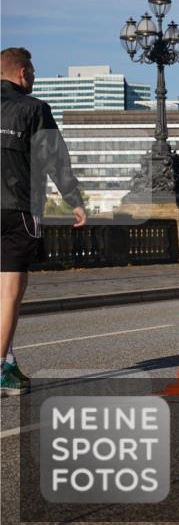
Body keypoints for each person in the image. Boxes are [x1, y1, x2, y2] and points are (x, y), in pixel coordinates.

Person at [2, 48, 87, 396]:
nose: (35, 77)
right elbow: (56, 159)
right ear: (23, 74)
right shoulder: (33, 108)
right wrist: (75, 202)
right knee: (9, 292)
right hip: (17, 210)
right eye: (33, 72)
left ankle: (7, 362)